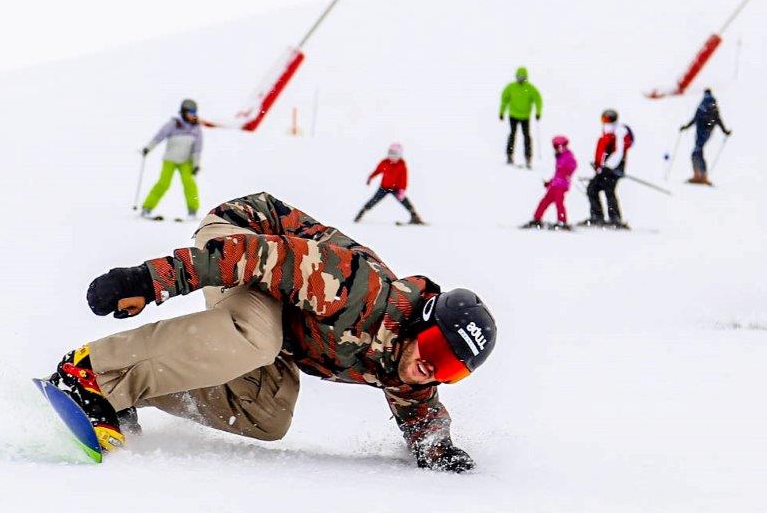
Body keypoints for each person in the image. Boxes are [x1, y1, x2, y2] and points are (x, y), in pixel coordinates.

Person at [43, 192, 497, 472]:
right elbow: (254, 258)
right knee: (257, 337)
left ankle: (128, 392)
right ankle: (91, 374)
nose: (431, 368)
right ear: (423, 320)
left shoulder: (412, 364)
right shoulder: (360, 291)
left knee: (267, 415)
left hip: (281, 303)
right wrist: (148, 280)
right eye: (437, 349)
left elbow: (421, 414)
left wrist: (438, 451)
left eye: (451, 370)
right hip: (243, 237)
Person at [139, 98, 204, 220]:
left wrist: (196, 165)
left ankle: (192, 211)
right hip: (170, 160)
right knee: (163, 183)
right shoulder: (174, 124)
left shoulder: (196, 129)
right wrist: (148, 148)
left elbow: (197, 149)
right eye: (190, 113)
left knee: (190, 184)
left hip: (186, 162)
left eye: (194, 113)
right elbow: (159, 136)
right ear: (184, 112)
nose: (193, 116)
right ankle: (146, 208)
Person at [580, 109, 633, 229]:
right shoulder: (608, 131)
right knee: (592, 189)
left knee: (608, 190)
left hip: (614, 169)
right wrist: (599, 165)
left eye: (606, 119)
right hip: (606, 169)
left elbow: (619, 152)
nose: (604, 122)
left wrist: (608, 166)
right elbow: (605, 151)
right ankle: (597, 216)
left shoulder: (619, 131)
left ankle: (614, 218)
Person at [354, 143, 425, 224]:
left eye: (394, 154)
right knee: (373, 200)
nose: (391, 156)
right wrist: (370, 177)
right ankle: (361, 212)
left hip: (396, 189)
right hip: (384, 188)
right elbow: (377, 171)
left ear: (399, 155)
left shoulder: (401, 165)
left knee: (405, 202)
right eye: (390, 153)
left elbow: (403, 179)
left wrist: (402, 190)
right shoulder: (384, 162)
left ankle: (414, 217)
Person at [521, 135, 576, 230]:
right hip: (555, 185)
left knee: (559, 203)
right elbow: (557, 174)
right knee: (544, 202)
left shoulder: (568, 155)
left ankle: (562, 221)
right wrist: (550, 183)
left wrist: (566, 171)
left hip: (561, 186)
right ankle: (537, 218)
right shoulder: (560, 156)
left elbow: (572, 166)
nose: (554, 149)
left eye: (556, 146)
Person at [680, 88, 731, 185]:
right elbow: (718, 119)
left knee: (696, 152)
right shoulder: (713, 106)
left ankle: (699, 175)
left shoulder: (702, 104)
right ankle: (702, 176)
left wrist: (686, 127)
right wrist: (725, 131)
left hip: (700, 131)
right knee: (698, 151)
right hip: (708, 132)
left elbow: (695, 118)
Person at [499, 67, 543, 168]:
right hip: (513, 115)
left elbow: (538, 100)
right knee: (512, 134)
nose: (520, 78)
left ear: (526, 77)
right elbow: (504, 99)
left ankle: (528, 157)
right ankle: (509, 155)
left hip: (525, 116)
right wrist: (501, 112)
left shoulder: (530, 88)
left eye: (522, 77)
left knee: (526, 136)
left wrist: (538, 112)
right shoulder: (511, 87)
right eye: (519, 77)